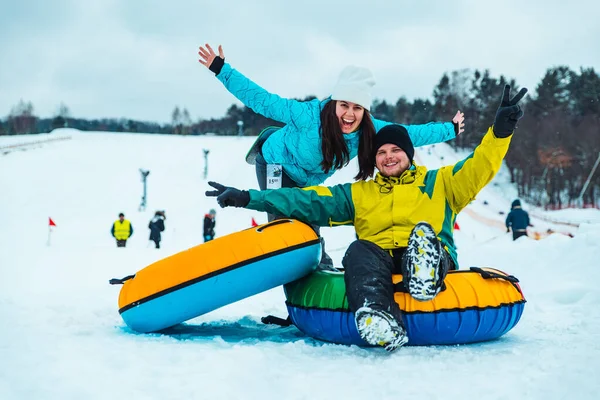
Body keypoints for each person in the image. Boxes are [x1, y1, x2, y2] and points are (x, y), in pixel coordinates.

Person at [205, 85, 527, 352]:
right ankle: (378, 318)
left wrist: (499, 133)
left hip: (426, 252)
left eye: (395, 151)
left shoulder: (441, 183)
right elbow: (306, 200)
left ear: (408, 154)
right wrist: (249, 197)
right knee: (359, 251)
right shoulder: (360, 193)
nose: (388, 156)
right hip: (381, 261)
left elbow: (479, 167)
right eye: (381, 153)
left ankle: (425, 273)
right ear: (374, 159)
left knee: (423, 238)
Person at [198, 43, 465, 269]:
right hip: (275, 164)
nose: (349, 115)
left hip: (306, 179)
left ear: (365, 111)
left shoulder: (368, 130)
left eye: (357, 108)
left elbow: (409, 134)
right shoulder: (307, 115)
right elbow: (263, 100)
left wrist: (450, 129)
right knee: (284, 223)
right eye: (344, 105)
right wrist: (222, 70)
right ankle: (290, 271)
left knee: (310, 225)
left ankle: (320, 272)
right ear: (335, 103)